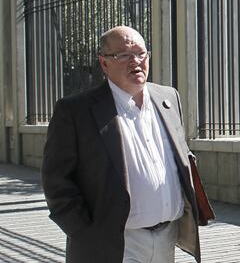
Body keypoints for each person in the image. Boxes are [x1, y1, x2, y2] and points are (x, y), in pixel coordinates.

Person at [42, 26, 204, 263]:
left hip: (167, 237)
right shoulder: (76, 111)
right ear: (104, 63)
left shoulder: (168, 98)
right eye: (123, 55)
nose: (135, 61)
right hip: (114, 243)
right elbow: (56, 180)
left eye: (141, 53)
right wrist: (83, 232)